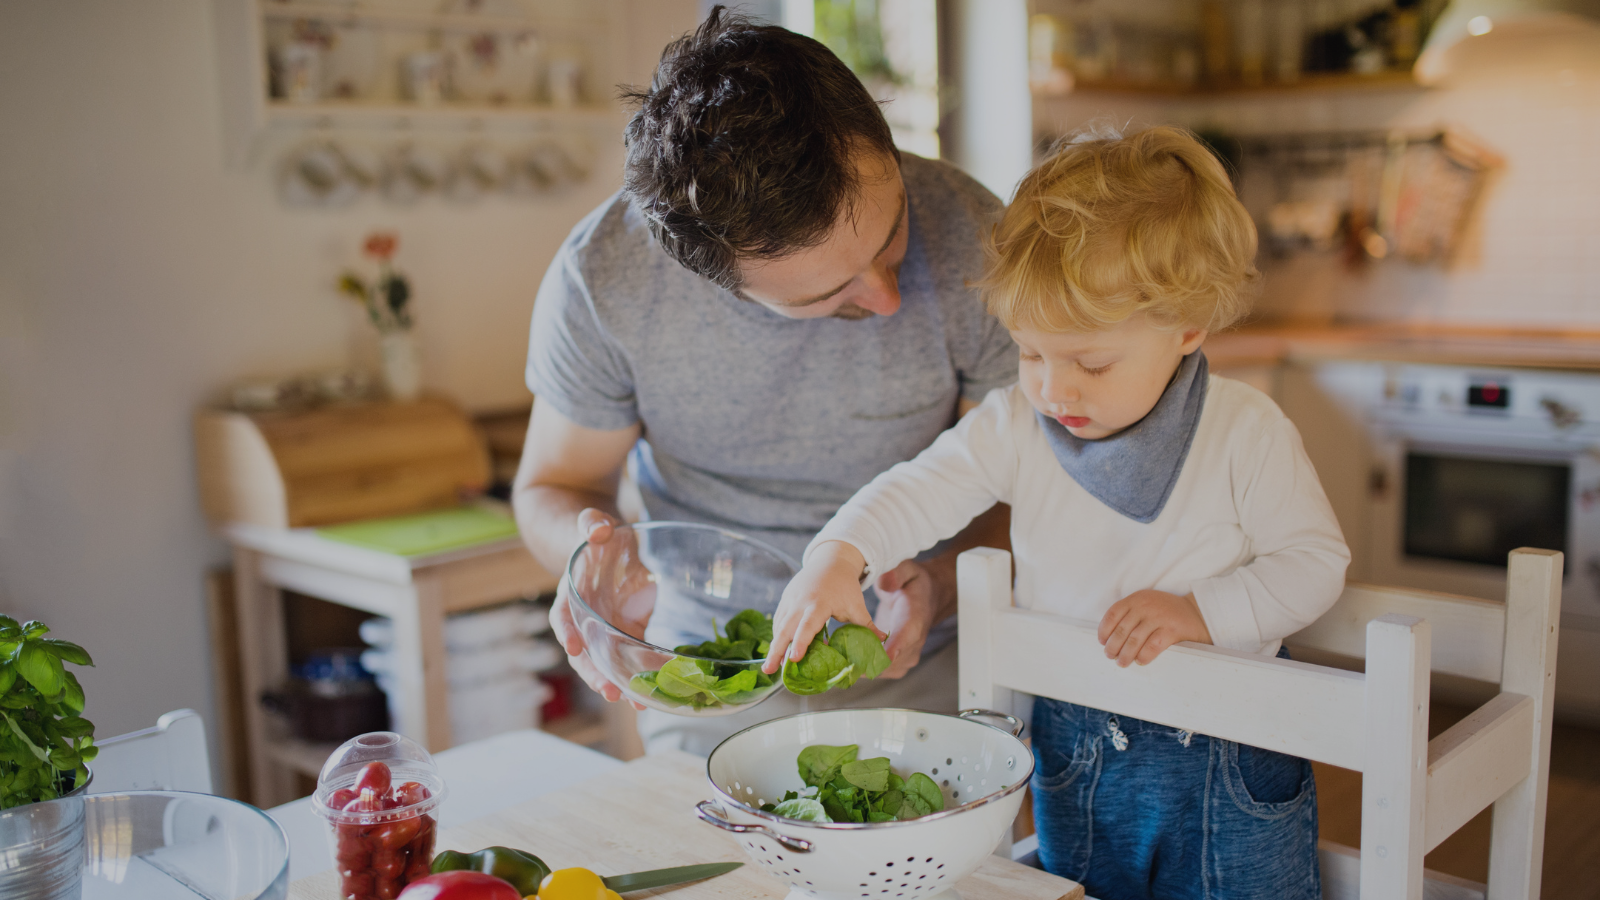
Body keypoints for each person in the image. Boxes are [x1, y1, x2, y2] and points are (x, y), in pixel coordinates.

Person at [762, 126, 1351, 900]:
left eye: (1091, 362)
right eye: (1031, 354)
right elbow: (920, 485)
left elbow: (1315, 564)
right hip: (1074, 751)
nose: (1054, 390)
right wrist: (839, 555)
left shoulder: (1246, 431)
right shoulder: (1016, 425)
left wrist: (1201, 612)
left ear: (1188, 328)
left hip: (1227, 755)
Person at [512, 8, 1017, 756]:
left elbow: (1026, 479)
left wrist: (941, 583)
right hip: (709, 674)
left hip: (932, 664)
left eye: (892, 236)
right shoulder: (605, 278)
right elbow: (554, 484)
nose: (887, 299)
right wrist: (590, 557)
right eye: (827, 296)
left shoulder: (979, 236)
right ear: (713, 279)